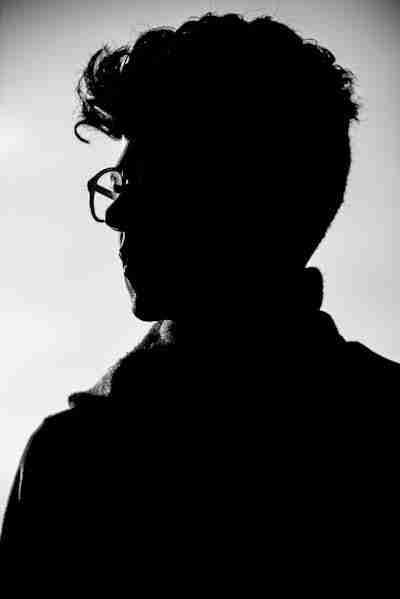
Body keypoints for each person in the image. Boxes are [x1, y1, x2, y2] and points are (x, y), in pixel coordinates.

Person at [1, 11, 397, 592]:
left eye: (147, 182)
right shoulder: (386, 426)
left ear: (244, 195)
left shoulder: (75, 462)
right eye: (119, 183)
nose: (116, 212)